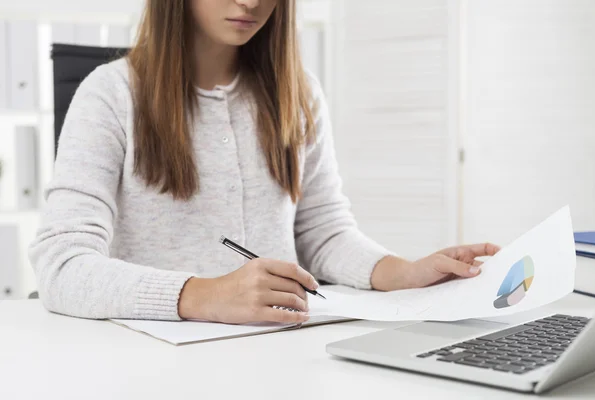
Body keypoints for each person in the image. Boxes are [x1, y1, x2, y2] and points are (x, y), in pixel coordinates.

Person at [29, 0, 499, 325]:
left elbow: (322, 232)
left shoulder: (299, 95)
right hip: (152, 362)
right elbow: (62, 265)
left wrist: (404, 273)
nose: (251, 2)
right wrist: (206, 294)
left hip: (276, 351)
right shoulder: (109, 95)